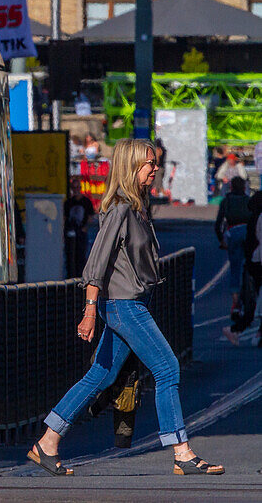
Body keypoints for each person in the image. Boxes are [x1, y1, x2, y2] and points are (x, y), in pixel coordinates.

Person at [29, 139, 224, 477]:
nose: (155, 169)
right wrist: (90, 310)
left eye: (156, 162)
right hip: (124, 305)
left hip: (132, 302)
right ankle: (182, 452)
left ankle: (47, 442)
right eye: (150, 163)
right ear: (132, 166)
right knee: (167, 369)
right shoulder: (120, 208)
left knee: (101, 375)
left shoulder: (136, 207)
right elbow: (97, 263)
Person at [224, 190, 262, 346]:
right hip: (258, 262)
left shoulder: (253, 218)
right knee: (255, 302)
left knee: (254, 301)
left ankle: (246, 330)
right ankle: (236, 329)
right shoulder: (259, 218)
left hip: (253, 262)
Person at [215, 176, 253, 320]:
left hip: (233, 233)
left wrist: (222, 241)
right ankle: (252, 293)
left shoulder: (226, 201)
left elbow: (218, 225)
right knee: (251, 265)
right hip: (249, 234)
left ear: (231, 187)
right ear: (244, 187)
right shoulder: (249, 200)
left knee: (235, 269)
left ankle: (235, 303)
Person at [63, 177, 95, 279]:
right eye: (74, 188)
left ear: (80, 188)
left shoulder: (86, 202)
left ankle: (80, 278)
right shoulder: (68, 203)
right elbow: (64, 218)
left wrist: (84, 228)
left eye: (77, 188)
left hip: (81, 234)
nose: (76, 190)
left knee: (81, 257)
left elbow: (90, 217)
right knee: (70, 257)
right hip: (70, 234)